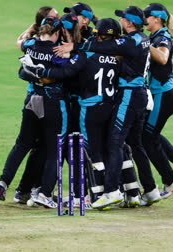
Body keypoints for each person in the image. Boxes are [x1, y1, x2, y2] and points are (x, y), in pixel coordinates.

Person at [23, 18, 122, 208]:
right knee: (109, 148)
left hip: (89, 108)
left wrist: (41, 74)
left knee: (89, 152)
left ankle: (94, 195)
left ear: (98, 36)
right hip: (110, 106)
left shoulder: (87, 53)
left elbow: (67, 72)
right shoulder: (119, 56)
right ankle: (119, 192)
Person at [79, 6, 159, 209]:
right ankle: (150, 190)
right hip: (141, 95)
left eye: (123, 18)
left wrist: (77, 46)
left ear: (129, 23)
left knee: (114, 142)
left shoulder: (130, 41)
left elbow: (102, 47)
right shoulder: (143, 39)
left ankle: (112, 191)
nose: (121, 21)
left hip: (129, 96)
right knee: (136, 143)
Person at [0, 17, 67, 208]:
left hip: (31, 100)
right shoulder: (58, 51)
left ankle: (3, 182)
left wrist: (31, 28)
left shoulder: (31, 45)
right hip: (51, 102)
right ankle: (44, 193)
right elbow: (69, 67)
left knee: (22, 144)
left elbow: (22, 40)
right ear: (57, 32)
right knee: (54, 150)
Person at [141, 3, 173, 202]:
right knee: (148, 132)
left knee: (148, 138)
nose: (143, 18)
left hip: (163, 94)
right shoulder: (155, 36)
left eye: (146, 16)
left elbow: (162, 58)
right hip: (159, 94)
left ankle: (170, 181)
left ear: (157, 18)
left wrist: (144, 43)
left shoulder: (162, 37)